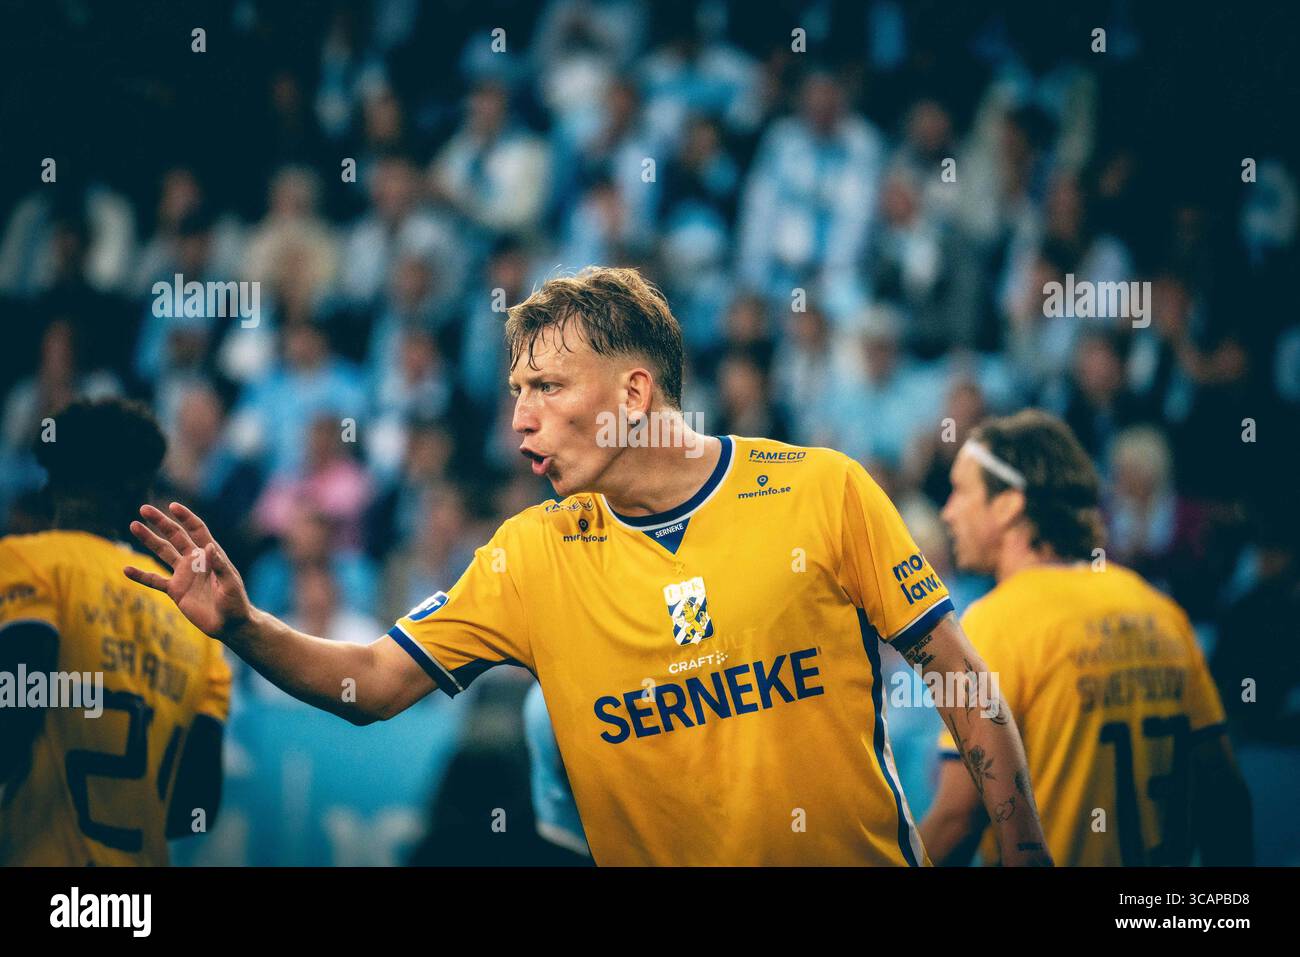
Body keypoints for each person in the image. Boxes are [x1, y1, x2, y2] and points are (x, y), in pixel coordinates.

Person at [125, 266, 1050, 866]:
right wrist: (246, 626)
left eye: (546, 388)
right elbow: (373, 683)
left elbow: (962, 679)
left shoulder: (822, 490)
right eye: (516, 391)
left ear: (633, 392)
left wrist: (1028, 856)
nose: (520, 419)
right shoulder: (530, 554)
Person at [921, 411, 1252, 865]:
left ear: (1008, 504)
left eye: (961, 491)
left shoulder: (995, 622)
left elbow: (958, 818)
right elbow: (1226, 803)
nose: (948, 511)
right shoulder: (1160, 612)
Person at [0, 398, 230, 865]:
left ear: (51, 484)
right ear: (141, 494)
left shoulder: (25, 563)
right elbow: (193, 809)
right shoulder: (192, 620)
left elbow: (12, 723)